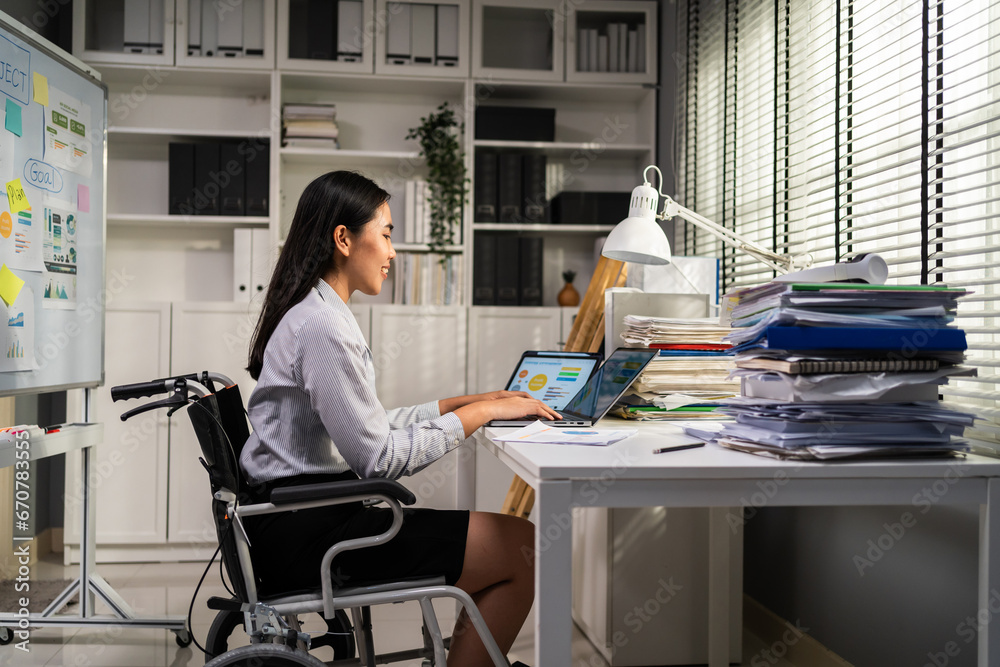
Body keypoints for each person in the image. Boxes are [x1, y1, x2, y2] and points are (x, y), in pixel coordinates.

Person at [241, 170, 558, 667]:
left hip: (300, 520)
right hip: (313, 537)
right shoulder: (323, 326)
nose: (392, 253)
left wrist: (460, 404)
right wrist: (482, 414)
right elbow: (378, 458)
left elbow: (367, 423)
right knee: (524, 547)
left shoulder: (317, 312)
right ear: (343, 239)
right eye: (386, 234)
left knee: (510, 542)